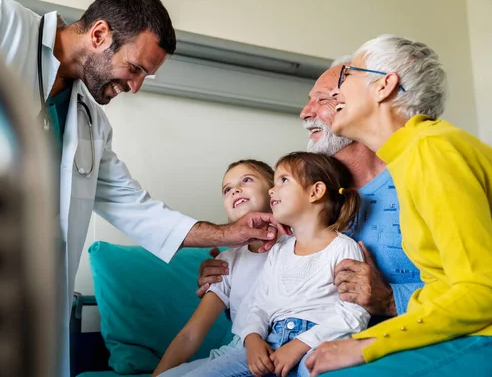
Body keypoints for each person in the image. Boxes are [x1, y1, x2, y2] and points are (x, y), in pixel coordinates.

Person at [0, 0, 281, 377]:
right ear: (99, 35)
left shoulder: (90, 123)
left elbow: (136, 208)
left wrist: (228, 233)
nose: (135, 86)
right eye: (136, 68)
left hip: (20, 296)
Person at [305, 34, 492, 376]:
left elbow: (482, 290)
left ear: (384, 86)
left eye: (347, 77)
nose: (337, 93)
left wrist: (369, 343)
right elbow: (444, 288)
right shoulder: (413, 154)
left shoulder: (432, 149)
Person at [197, 60, 422, 320]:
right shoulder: (301, 208)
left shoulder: (420, 180)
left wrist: (392, 300)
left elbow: (473, 286)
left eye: (324, 98)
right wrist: (231, 277)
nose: (304, 112)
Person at [175, 152, 370, 377]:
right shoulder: (277, 251)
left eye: (283, 181)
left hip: (315, 344)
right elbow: (260, 304)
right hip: (268, 343)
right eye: (227, 189)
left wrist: (299, 344)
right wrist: (253, 337)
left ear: (315, 191)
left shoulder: (343, 247)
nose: (272, 191)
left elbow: (353, 313)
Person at [154, 159, 275, 377]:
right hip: (235, 350)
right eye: (227, 189)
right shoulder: (226, 262)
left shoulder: (300, 245)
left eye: (246, 180)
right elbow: (190, 335)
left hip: (271, 349)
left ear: (275, 191)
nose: (235, 190)